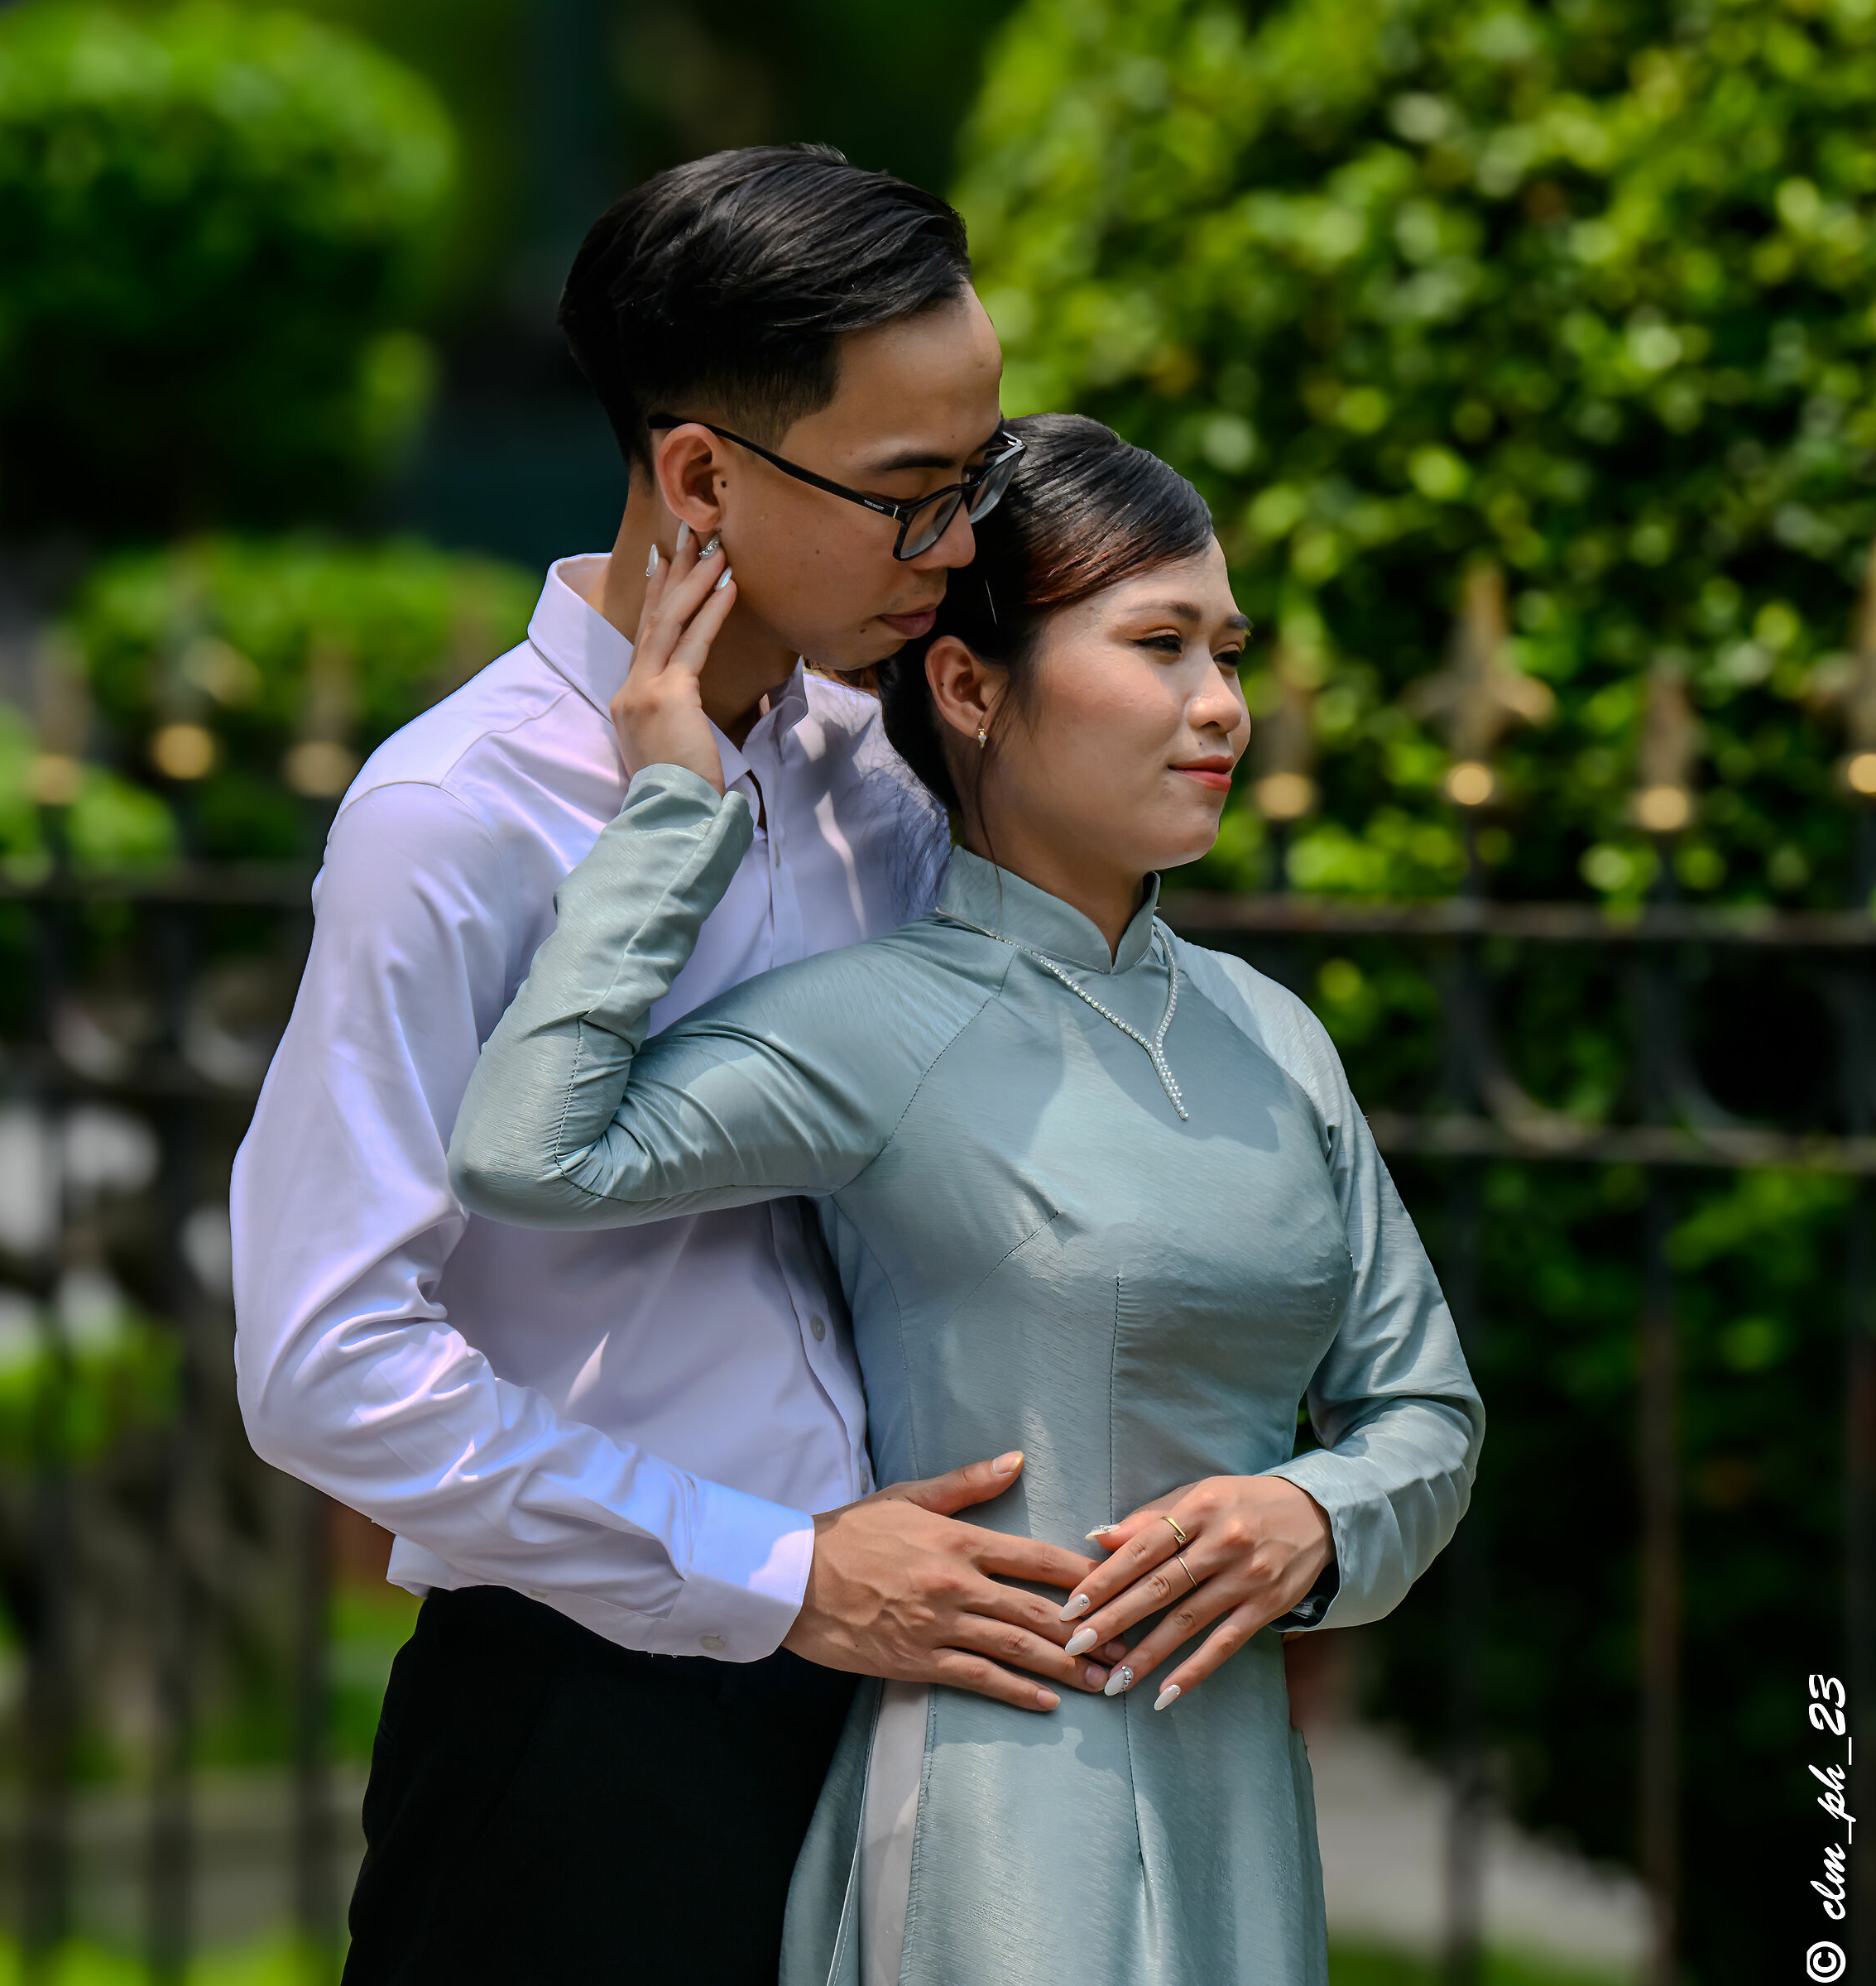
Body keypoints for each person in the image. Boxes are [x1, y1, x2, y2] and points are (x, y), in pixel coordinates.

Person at [229, 148, 1127, 1986]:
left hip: (927, 1710)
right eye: (905, 497)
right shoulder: (452, 815)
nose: (955, 550)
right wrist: (781, 1571)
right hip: (590, 1738)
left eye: (976, 481)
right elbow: (324, 1365)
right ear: (700, 476)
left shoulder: (883, 781)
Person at [447, 413, 1486, 1986]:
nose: (1220, 707)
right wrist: (671, 813)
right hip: (997, 1814)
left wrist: (1311, 1515)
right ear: (969, 685)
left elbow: (1425, 1409)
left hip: (1240, 1812)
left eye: (1228, 651)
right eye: (1158, 646)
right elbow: (531, 1150)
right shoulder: (876, 1023)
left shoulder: (1273, 1035)